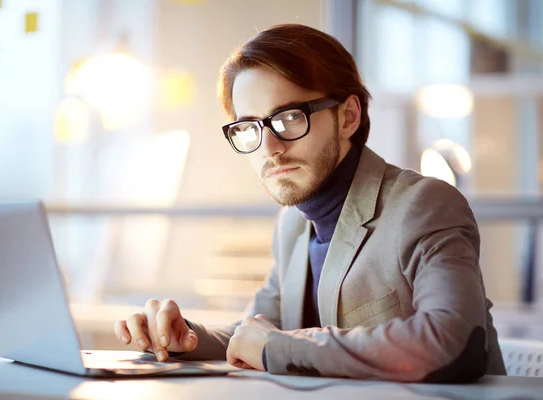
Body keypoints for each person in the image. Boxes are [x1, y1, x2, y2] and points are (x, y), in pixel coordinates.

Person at [114, 23, 507, 382]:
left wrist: (278, 348)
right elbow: (257, 330)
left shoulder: (423, 204)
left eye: (287, 119)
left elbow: (454, 344)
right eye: (249, 127)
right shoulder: (292, 223)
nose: (269, 147)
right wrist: (186, 338)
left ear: (348, 116)